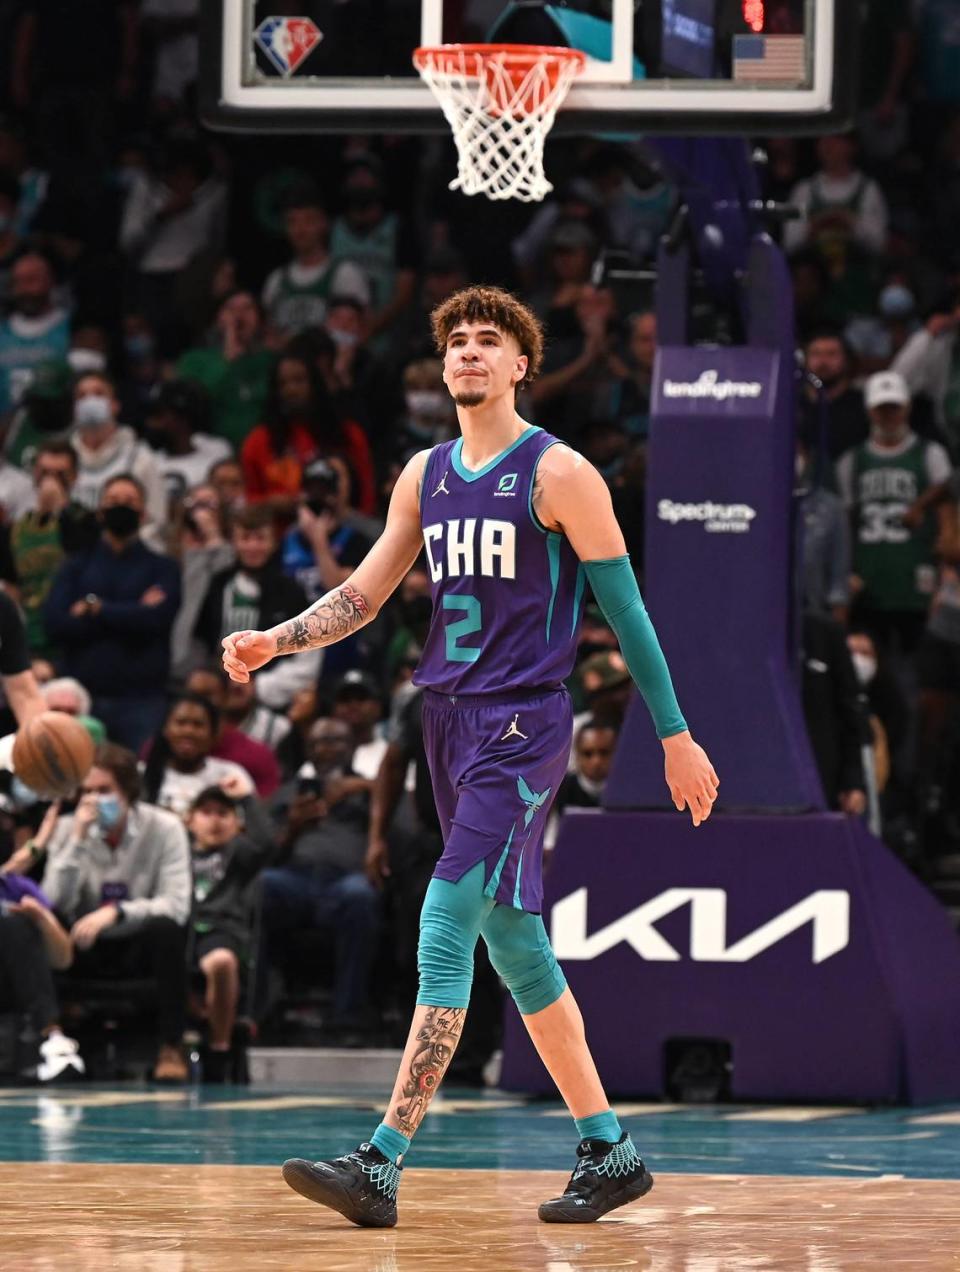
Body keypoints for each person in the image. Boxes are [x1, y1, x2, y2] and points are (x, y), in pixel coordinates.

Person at [222, 285, 718, 1227]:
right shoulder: (424, 473)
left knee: (446, 923)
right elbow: (363, 597)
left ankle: (381, 1163)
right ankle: (609, 1150)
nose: (468, 353)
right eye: (455, 341)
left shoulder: (560, 473)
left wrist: (675, 734)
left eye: (488, 341)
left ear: (521, 364)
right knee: (517, 948)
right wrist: (271, 642)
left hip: (522, 728)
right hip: (446, 723)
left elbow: (629, 614)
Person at [41, 743, 192, 1082]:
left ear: (128, 792)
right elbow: (53, 902)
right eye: (87, 792)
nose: (94, 801)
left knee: (167, 929)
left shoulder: (165, 828)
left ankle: (171, 1047)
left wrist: (117, 912)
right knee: (44, 923)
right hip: (82, 945)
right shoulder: (68, 828)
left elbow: (177, 905)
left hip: (138, 943)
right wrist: (77, 841)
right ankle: (53, 1042)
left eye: (104, 791)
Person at [260, 717, 380, 1038]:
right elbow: (263, 855)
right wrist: (294, 826)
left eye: (335, 740)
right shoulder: (287, 794)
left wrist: (367, 786)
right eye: (317, 743)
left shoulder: (373, 792)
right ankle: (259, 1010)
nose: (325, 749)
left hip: (346, 881)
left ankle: (348, 1016)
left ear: (353, 746)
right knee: (264, 886)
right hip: (295, 881)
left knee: (360, 895)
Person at [43, 474, 181, 750]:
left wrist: (95, 608)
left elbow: (156, 620)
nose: (121, 506)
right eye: (113, 500)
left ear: (142, 513)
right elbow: (56, 623)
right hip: (82, 695)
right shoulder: (75, 566)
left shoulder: (163, 567)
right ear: (100, 512)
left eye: (129, 501)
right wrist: (134, 610)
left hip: (142, 698)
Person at [836, 371, 954, 658]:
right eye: (881, 408)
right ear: (869, 411)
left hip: (918, 580)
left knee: (920, 671)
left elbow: (947, 516)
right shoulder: (852, 461)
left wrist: (946, 577)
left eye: (894, 407)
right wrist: (845, 572)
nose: (888, 415)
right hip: (868, 580)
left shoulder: (931, 454)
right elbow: (845, 523)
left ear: (908, 408)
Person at [186, 785, 267, 1081]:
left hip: (221, 931)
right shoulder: (176, 849)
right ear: (189, 819)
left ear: (237, 823)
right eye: (206, 812)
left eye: (223, 813)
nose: (215, 820)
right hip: (180, 932)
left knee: (221, 962)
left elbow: (266, 843)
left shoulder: (238, 853)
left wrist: (247, 797)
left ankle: (219, 1049)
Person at [0, 802, 82, 1082]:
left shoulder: (17, 887)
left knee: (16, 923)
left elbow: (64, 959)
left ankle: (54, 1041)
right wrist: (41, 841)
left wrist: (42, 920)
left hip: (13, 987)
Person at [69, 371, 168, 547]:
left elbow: (156, 521)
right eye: (82, 396)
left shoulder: (140, 458)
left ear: (115, 405)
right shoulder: (63, 459)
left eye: (99, 394)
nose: (90, 401)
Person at [262, 185, 370, 341]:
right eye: (293, 221)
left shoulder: (345, 274)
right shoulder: (276, 280)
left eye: (309, 220)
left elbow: (361, 331)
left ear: (324, 224)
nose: (300, 229)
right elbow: (269, 335)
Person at [140, 693, 254, 820]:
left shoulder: (231, 775)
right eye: (181, 723)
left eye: (198, 724)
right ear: (166, 730)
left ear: (213, 734)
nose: (188, 731)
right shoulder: (141, 774)